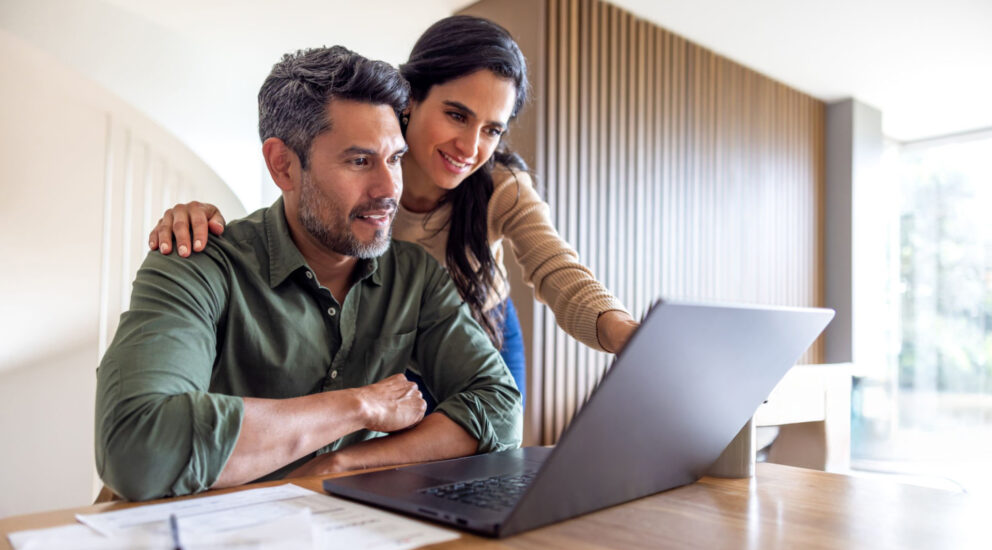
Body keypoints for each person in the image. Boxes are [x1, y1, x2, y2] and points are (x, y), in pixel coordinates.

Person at [96, 45, 521, 502]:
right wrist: (358, 407)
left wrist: (341, 464)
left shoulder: (416, 277)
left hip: (343, 540)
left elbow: (500, 410)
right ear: (283, 165)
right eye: (359, 161)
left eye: (395, 159)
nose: (388, 189)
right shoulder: (195, 262)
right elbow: (138, 447)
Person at [150, 16, 640, 410]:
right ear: (410, 100)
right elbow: (302, 210)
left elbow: (557, 268)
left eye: (492, 129)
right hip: (389, 336)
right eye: (456, 115)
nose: (470, 148)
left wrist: (627, 335)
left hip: (480, 325)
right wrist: (200, 217)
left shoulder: (499, 187)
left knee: (489, 457)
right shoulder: (361, 176)